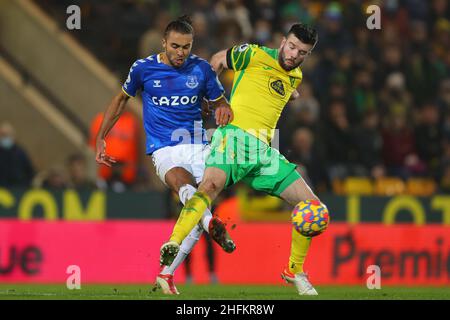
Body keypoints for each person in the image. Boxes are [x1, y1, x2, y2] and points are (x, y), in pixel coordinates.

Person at [159, 23, 327, 295]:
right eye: (292, 46)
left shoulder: (295, 76)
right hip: (234, 139)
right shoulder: (253, 54)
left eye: (302, 52)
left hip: (264, 152)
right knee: (208, 188)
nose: (294, 54)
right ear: (283, 41)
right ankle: (173, 246)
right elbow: (217, 60)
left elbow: (286, 89)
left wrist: (291, 93)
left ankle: (294, 271)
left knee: (315, 208)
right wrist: (211, 100)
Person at [95, 15, 235, 295]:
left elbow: (222, 103)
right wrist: (101, 136)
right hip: (164, 147)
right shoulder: (143, 69)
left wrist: (220, 109)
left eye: (186, 47)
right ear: (164, 43)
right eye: (175, 46)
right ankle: (211, 223)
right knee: (186, 190)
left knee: (194, 210)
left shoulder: (202, 69)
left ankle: (166, 274)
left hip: (199, 146)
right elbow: (121, 100)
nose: (180, 52)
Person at [0, 122, 34, 187]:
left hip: (18, 190)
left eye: (7, 135)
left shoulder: (20, 152)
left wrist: (25, 185)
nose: (5, 137)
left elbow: (30, 171)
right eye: (3, 135)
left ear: (13, 136)